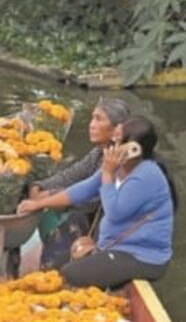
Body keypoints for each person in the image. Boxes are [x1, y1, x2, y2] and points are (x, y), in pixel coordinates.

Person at [17, 116, 176, 289]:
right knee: (58, 264)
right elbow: (83, 190)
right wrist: (39, 204)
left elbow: (115, 213)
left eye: (116, 141)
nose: (110, 146)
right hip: (112, 246)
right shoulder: (119, 167)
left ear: (133, 150)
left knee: (71, 274)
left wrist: (108, 174)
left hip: (141, 256)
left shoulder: (145, 176)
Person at [28, 97, 131, 269]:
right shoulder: (99, 152)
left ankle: (55, 271)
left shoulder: (120, 158)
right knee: (47, 211)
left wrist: (47, 197)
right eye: (92, 118)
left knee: (70, 219)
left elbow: (91, 200)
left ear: (116, 129)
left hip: (107, 230)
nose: (91, 124)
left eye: (99, 119)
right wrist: (39, 186)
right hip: (87, 215)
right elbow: (73, 174)